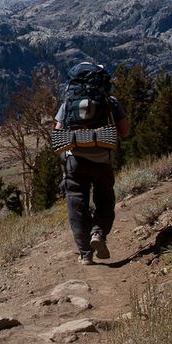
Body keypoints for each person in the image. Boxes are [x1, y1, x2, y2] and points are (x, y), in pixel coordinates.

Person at [54, 64, 130, 265]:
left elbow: (58, 130)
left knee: (76, 205)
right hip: (102, 160)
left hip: (75, 161)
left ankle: (85, 254)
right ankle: (98, 233)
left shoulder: (68, 102)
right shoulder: (109, 101)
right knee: (105, 200)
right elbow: (125, 131)